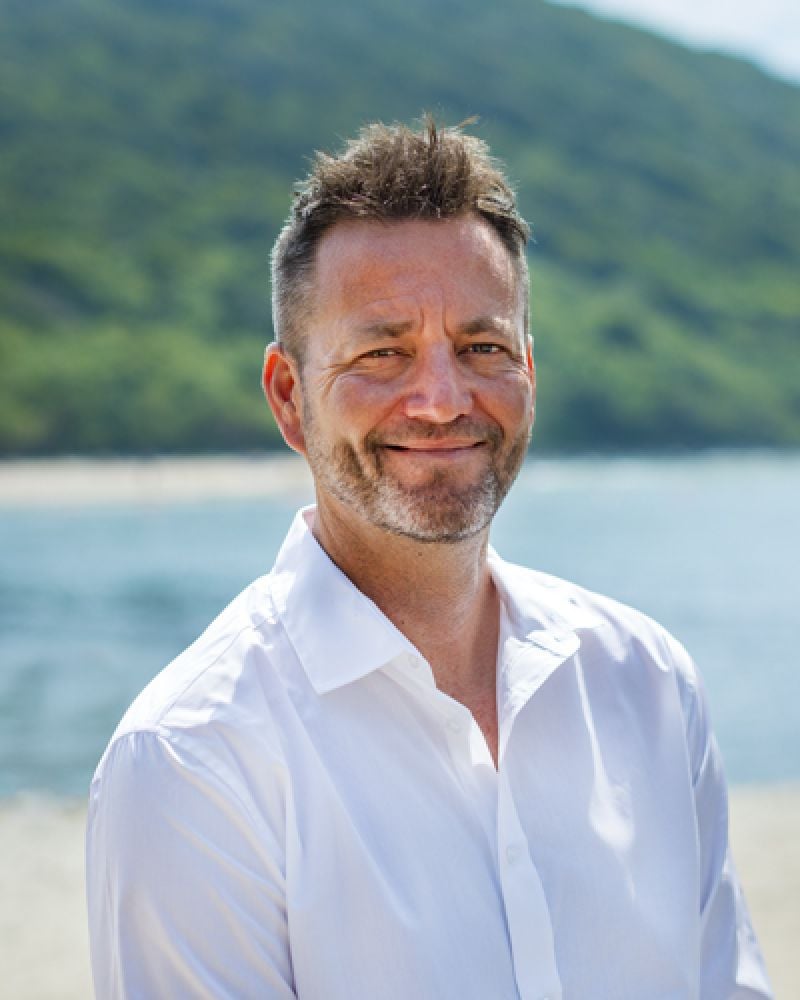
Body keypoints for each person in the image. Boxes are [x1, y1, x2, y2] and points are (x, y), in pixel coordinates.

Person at [86, 119, 772, 999]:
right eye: (383, 352)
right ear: (290, 398)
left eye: (483, 348)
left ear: (529, 372)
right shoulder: (191, 760)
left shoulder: (648, 683)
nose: (443, 400)